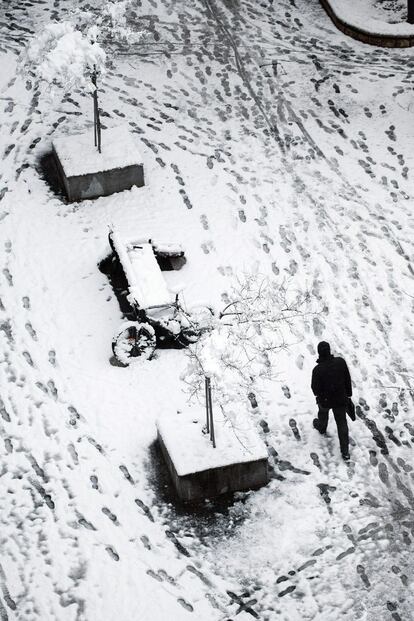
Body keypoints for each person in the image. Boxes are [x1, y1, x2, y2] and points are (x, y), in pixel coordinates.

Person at [311, 341, 353, 461]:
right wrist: (348, 394)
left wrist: (321, 396)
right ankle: (345, 452)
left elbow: (315, 389)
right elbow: (347, 379)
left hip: (325, 401)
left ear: (319, 353)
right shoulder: (340, 362)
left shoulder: (317, 370)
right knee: (342, 423)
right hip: (340, 399)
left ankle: (322, 427)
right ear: (329, 350)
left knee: (323, 413)